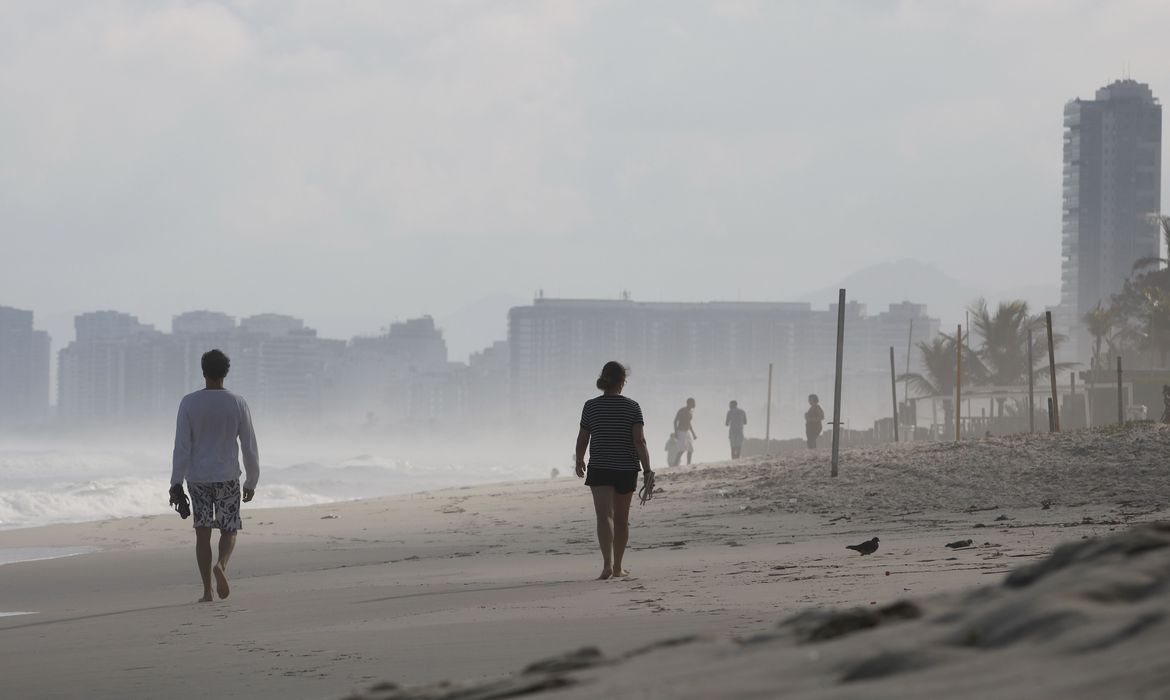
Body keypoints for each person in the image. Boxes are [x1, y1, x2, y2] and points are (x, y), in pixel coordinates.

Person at [170, 349, 260, 602]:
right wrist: (252, 480)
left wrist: (175, 482)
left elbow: (182, 446)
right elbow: (249, 445)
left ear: (203, 371)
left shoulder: (189, 403)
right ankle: (221, 565)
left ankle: (207, 591)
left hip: (197, 477)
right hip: (227, 475)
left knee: (202, 532)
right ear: (226, 372)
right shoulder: (237, 402)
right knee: (229, 529)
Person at [575, 361, 653, 580]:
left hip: (599, 466)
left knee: (603, 517)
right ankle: (618, 567)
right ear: (622, 382)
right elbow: (640, 441)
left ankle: (606, 565)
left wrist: (579, 460)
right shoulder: (632, 407)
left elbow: (583, 438)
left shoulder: (591, 406)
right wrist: (647, 470)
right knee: (621, 519)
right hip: (626, 468)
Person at [673, 397, 697, 465]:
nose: (695, 404)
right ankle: (675, 464)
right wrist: (676, 432)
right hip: (681, 431)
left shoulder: (690, 412)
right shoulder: (682, 410)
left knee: (690, 449)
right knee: (682, 449)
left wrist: (693, 434)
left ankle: (688, 464)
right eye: (693, 402)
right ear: (689, 403)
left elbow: (689, 423)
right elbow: (675, 421)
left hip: (687, 432)